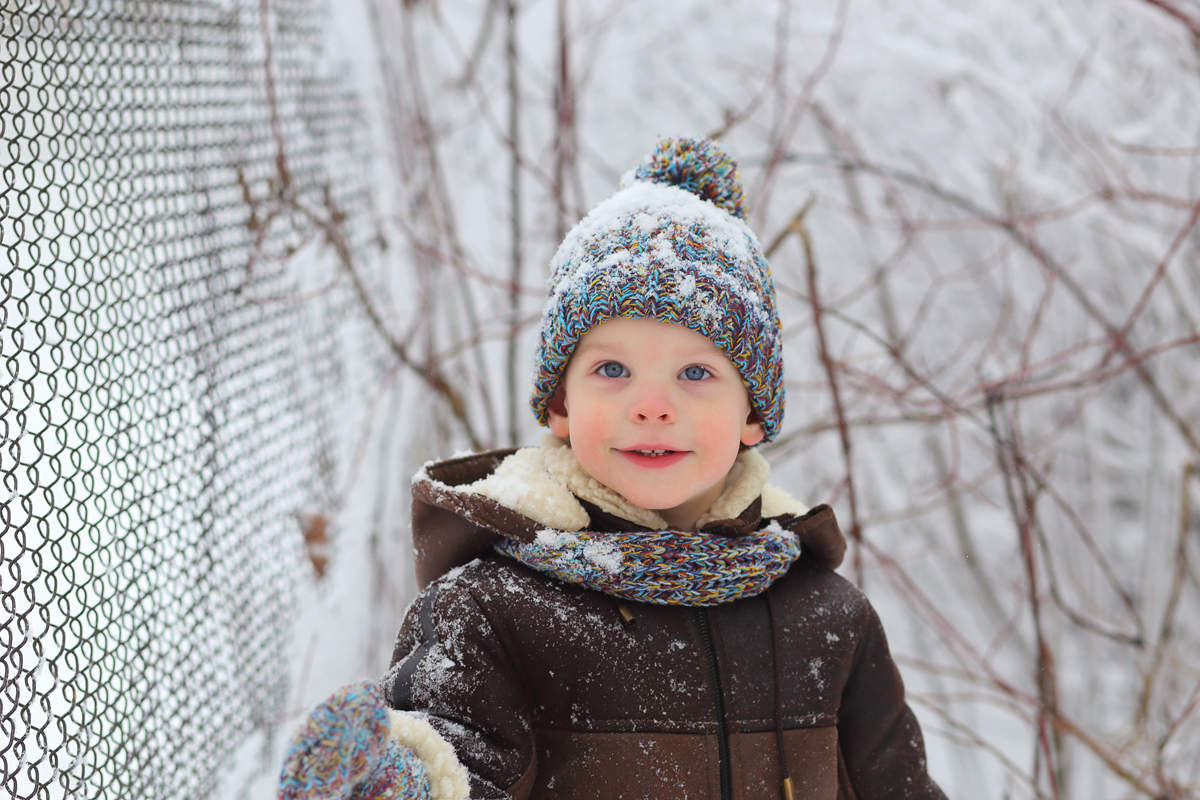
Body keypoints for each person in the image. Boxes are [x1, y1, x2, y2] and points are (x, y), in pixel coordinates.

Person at [279, 137, 949, 800]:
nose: (651, 406)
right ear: (562, 404)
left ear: (753, 413)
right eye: (612, 370)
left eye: (696, 372)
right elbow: (457, 767)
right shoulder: (491, 612)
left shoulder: (826, 620)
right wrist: (393, 785)